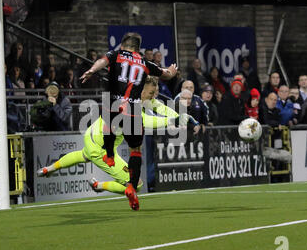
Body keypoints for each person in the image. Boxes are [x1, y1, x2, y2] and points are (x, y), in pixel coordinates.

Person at [36, 76, 198, 206]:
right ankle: (99, 186)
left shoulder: (129, 96)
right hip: (100, 149)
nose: (153, 97)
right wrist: (174, 122)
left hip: (92, 135)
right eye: (151, 93)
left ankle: (48, 169)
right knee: (137, 184)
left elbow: (160, 107)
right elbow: (147, 121)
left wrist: (178, 116)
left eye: (154, 93)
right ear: (141, 90)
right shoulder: (131, 109)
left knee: (83, 155)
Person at [79, 32, 177, 210]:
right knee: (135, 150)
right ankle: (131, 187)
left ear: (123, 46)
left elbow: (102, 61)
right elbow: (166, 74)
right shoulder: (146, 63)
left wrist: (92, 70)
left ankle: (108, 155)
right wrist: (172, 71)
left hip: (113, 104)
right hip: (133, 109)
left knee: (109, 124)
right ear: (138, 48)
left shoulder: (115, 55)